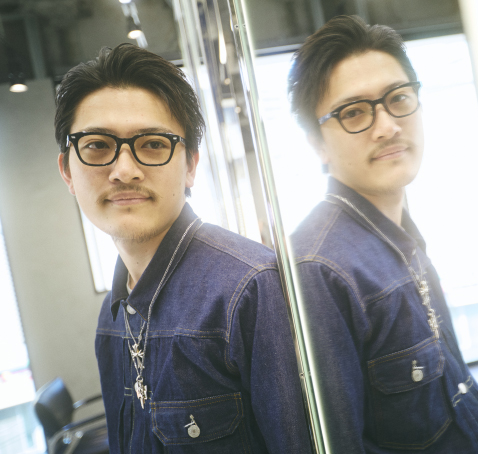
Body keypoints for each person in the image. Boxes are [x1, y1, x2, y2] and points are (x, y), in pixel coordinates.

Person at [288, 16, 478, 454]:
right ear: (316, 144)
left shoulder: (404, 235)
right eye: (354, 112)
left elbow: (459, 387)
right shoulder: (319, 269)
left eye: (398, 98)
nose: (387, 126)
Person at [55, 43, 311, 453]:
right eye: (98, 145)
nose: (124, 170)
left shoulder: (248, 289)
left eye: (153, 144)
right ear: (68, 170)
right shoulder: (112, 315)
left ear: (190, 165)